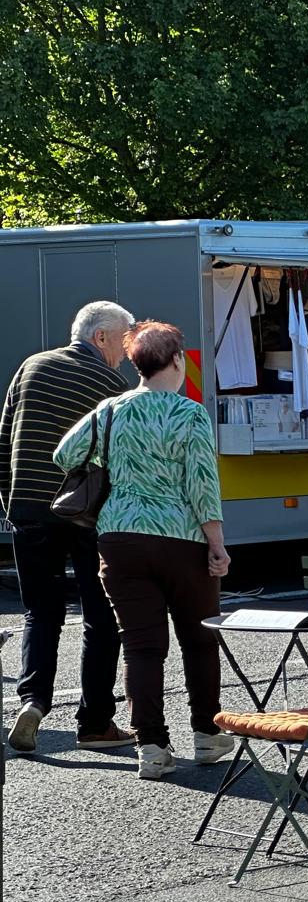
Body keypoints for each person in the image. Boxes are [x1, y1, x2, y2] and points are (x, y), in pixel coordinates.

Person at [52, 321, 235, 780]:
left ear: (135, 363)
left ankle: (151, 746)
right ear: (176, 361)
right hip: (182, 539)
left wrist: (113, 462)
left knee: (141, 646)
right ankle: (207, 736)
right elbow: (202, 485)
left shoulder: (110, 410)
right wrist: (217, 544)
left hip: (120, 539)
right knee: (199, 639)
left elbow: (64, 455)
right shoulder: (190, 414)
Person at [3, 302, 136, 753]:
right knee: (101, 618)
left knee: (40, 612)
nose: (127, 349)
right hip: (84, 515)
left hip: (28, 510)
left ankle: (34, 702)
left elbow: (5, 438)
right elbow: (116, 462)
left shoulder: (31, 367)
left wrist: (13, 503)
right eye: (123, 338)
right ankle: (95, 723)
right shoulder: (108, 386)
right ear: (100, 338)